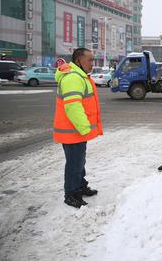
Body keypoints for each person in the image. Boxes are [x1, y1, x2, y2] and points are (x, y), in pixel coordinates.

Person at [53, 48, 103, 208]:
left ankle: (80, 186)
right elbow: (73, 107)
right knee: (75, 163)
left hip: (76, 131)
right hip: (72, 131)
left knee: (79, 161)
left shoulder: (79, 76)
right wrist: (84, 128)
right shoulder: (73, 78)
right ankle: (71, 194)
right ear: (78, 61)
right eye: (89, 60)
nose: (92, 63)